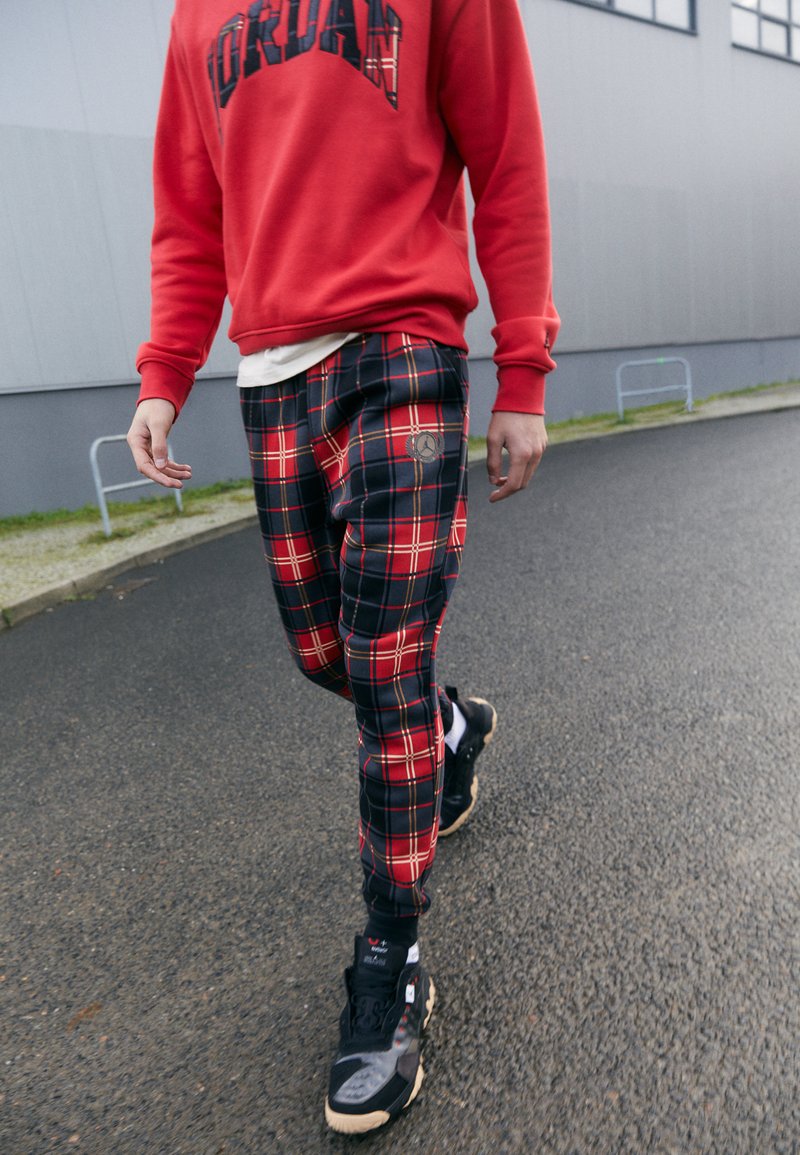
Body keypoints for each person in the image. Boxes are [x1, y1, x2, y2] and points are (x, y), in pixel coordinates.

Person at [127, 0, 558, 1134]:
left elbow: (507, 161)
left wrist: (521, 371)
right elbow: (191, 207)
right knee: (328, 655)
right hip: (271, 374)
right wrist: (165, 370)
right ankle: (449, 729)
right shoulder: (197, 16)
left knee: (382, 667)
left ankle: (388, 958)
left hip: (403, 347)